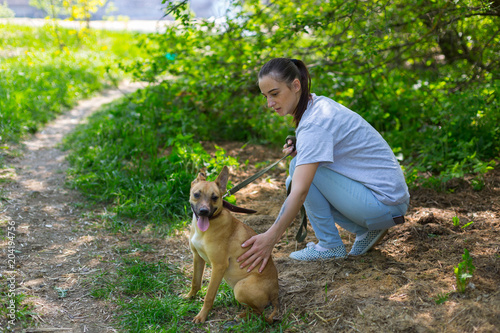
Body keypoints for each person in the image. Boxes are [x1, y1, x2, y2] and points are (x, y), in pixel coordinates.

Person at [236, 58, 410, 273]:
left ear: (296, 85)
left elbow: (300, 193)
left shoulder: (316, 122)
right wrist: (303, 147)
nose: (270, 103)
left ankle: (329, 245)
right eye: (265, 97)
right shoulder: (317, 106)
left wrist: (270, 238)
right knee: (297, 171)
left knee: (298, 173)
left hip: (384, 204)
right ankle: (365, 230)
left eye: (274, 93)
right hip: (387, 203)